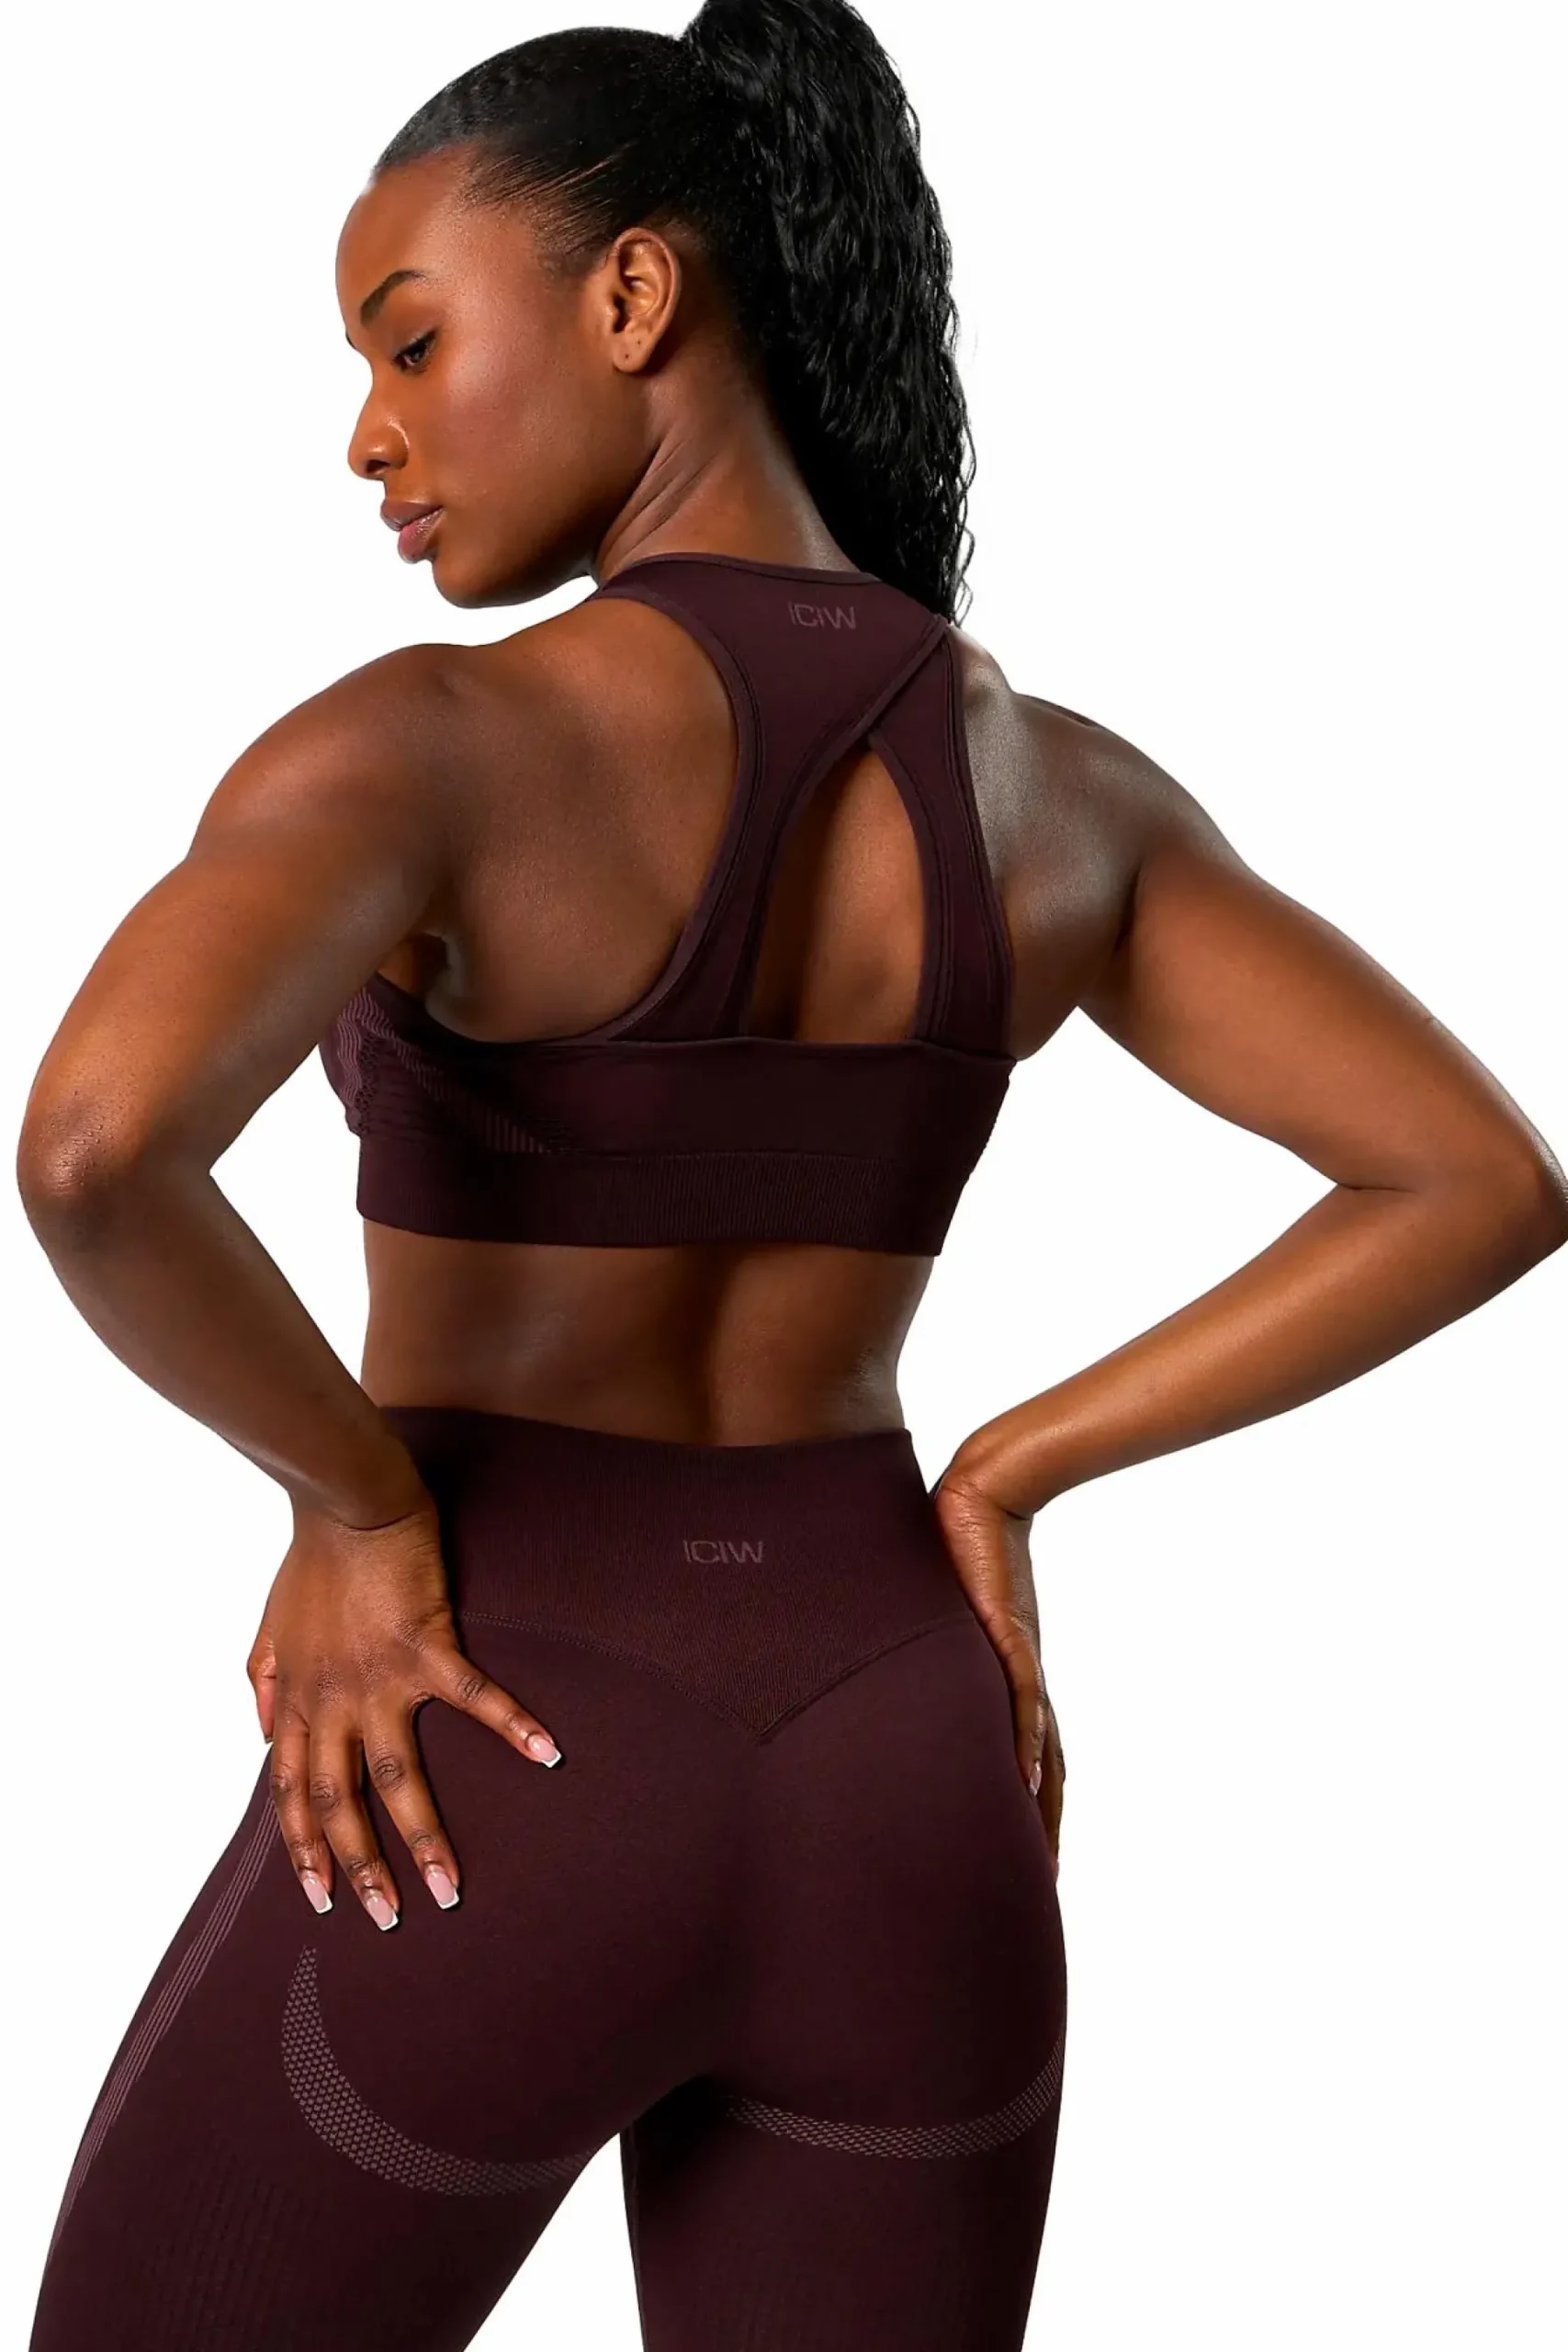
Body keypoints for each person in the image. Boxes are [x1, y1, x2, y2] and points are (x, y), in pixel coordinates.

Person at [17, 4, 1564, 2347]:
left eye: (411, 342)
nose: (369, 434)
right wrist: (1006, 1470)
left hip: (494, 1750)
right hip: (906, 1774)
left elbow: (95, 1145)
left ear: (634, 297)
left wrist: (353, 1503)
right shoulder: (1058, 792)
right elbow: (1473, 1173)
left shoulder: (428, 747)